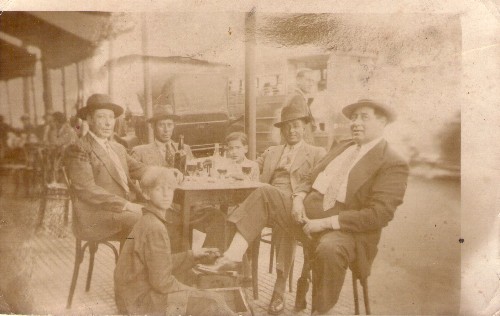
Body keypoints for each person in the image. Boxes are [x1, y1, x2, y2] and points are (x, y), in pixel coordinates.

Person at [203, 99, 409, 315]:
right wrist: (299, 198)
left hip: (343, 231)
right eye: (354, 117)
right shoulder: (343, 146)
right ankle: (231, 259)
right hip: (302, 215)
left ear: (382, 121)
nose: (355, 123)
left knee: (328, 250)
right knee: (265, 193)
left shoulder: (392, 162)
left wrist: (324, 223)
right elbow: (311, 177)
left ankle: (319, 312)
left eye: (363, 117)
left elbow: (379, 215)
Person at [206, 102, 326, 314]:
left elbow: (319, 185)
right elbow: (251, 166)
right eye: (287, 126)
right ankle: (242, 282)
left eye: (296, 125)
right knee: (235, 213)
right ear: (282, 130)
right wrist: (233, 163)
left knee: (269, 201)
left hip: (296, 205)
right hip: (268, 206)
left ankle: (257, 277)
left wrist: (299, 199)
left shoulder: (316, 153)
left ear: (305, 127)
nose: (291, 130)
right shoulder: (272, 151)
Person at [114, 166, 234, 316]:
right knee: (214, 300)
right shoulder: (154, 227)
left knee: (204, 295)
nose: (166, 195)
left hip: (130, 297)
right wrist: (196, 292)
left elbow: (159, 263)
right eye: (159, 189)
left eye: (169, 189)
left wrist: (193, 255)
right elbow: (162, 283)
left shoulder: (148, 219)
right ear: (146, 194)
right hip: (139, 302)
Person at [131, 103, 224, 253]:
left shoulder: (184, 149)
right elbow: (133, 184)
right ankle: (184, 262)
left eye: (170, 125)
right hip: (160, 210)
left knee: (217, 216)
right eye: (161, 125)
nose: (166, 129)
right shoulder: (141, 152)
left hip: (188, 207)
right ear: (153, 127)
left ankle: (207, 264)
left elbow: (194, 176)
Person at [65, 93, 149, 241]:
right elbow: (87, 190)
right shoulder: (80, 148)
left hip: (123, 209)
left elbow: (139, 169)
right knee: (147, 222)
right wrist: (126, 205)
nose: (108, 123)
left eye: (111, 117)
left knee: (167, 215)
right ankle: (127, 264)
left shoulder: (117, 148)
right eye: (101, 117)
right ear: (89, 119)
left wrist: (166, 173)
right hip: (96, 217)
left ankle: (155, 263)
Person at [281, 68, 318, 145]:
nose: (311, 84)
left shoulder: (297, 97)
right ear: (298, 81)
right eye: (308, 80)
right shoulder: (297, 99)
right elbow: (301, 128)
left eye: (313, 81)